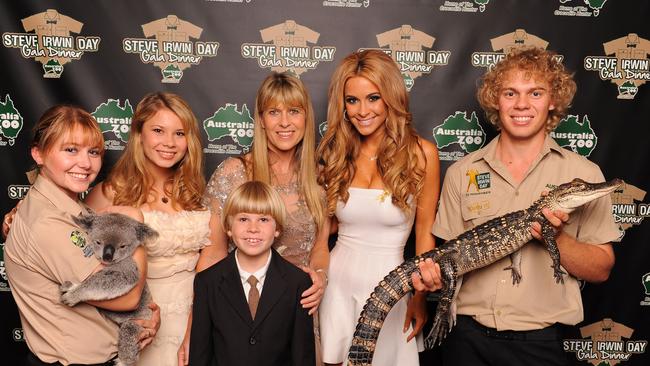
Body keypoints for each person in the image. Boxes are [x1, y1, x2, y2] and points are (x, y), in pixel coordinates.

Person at [412, 47, 620, 366]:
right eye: (511, 93)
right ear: (497, 99)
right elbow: (448, 255)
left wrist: (557, 237)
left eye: (535, 92)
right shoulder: (461, 172)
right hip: (466, 340)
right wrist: (429, 280)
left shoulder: (584, 176)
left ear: (553, 100)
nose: (522, 104)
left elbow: (602, 269)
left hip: (542, 344)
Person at [181, 72, 330, 364]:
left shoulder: (320, 176)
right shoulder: (234, 172)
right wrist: (192, 329)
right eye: (274, 112)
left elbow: (321, 247)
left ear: (306, 118)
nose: (284, 122)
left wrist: (321, 277)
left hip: (297, 311)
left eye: (294, 111)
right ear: (260, 119)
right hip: (239, 314)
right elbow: (212, 257)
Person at [4, 105, 159, 366]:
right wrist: (133, 228)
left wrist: (147, 319)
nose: (85, 164)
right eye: (71, 150)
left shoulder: (70, 208)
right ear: (38, 153)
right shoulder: (48, 221)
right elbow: (128, 297)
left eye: (94, 152)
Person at [317, 49, 440, 366]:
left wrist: (419, 297)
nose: (362, 111)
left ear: (390, 97)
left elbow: (425, 234)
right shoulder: (336, 153)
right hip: (337, 284)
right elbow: (320, 227)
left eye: (373, 97)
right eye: (352, 100)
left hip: (390, 290)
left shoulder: (421, 153)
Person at [84, 92, 219, 366]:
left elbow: (212, 274)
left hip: (193, 322)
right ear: (139, 134)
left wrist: (194, 332)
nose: (169, 143)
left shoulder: (199, 196)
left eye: (179, 133)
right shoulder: (109, 194)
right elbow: (75, 257)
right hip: (133, 323)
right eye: (158, 130)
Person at [189, 180, 316, 366]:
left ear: (278, 228)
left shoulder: (298, 283)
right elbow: (200, 354)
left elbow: (302, 355)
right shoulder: (207, 282)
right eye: (243, 219)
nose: (253, 228)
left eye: (263, 219)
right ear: (229, 227)